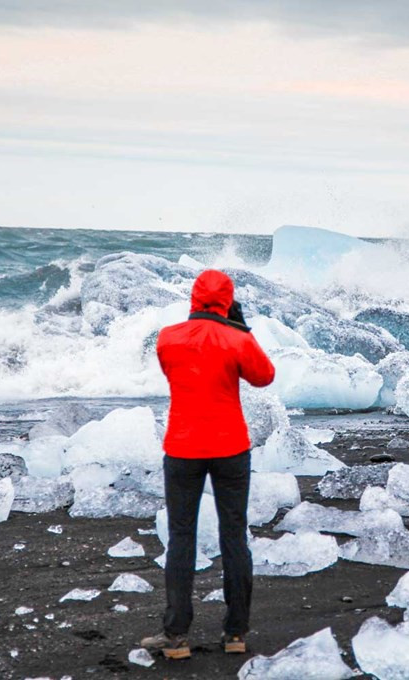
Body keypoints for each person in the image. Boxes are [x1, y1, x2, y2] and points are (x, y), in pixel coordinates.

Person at [141, 269, 275, 659]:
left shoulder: (168, 338)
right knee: (234, 536)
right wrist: (240, 329)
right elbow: (264, 377)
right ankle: (236, 634)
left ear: (194, 298)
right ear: (227, 300)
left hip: (182, 448)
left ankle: (176, 636)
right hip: (231, 447)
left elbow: (173, 372)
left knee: (181, 538)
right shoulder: (238, 338)